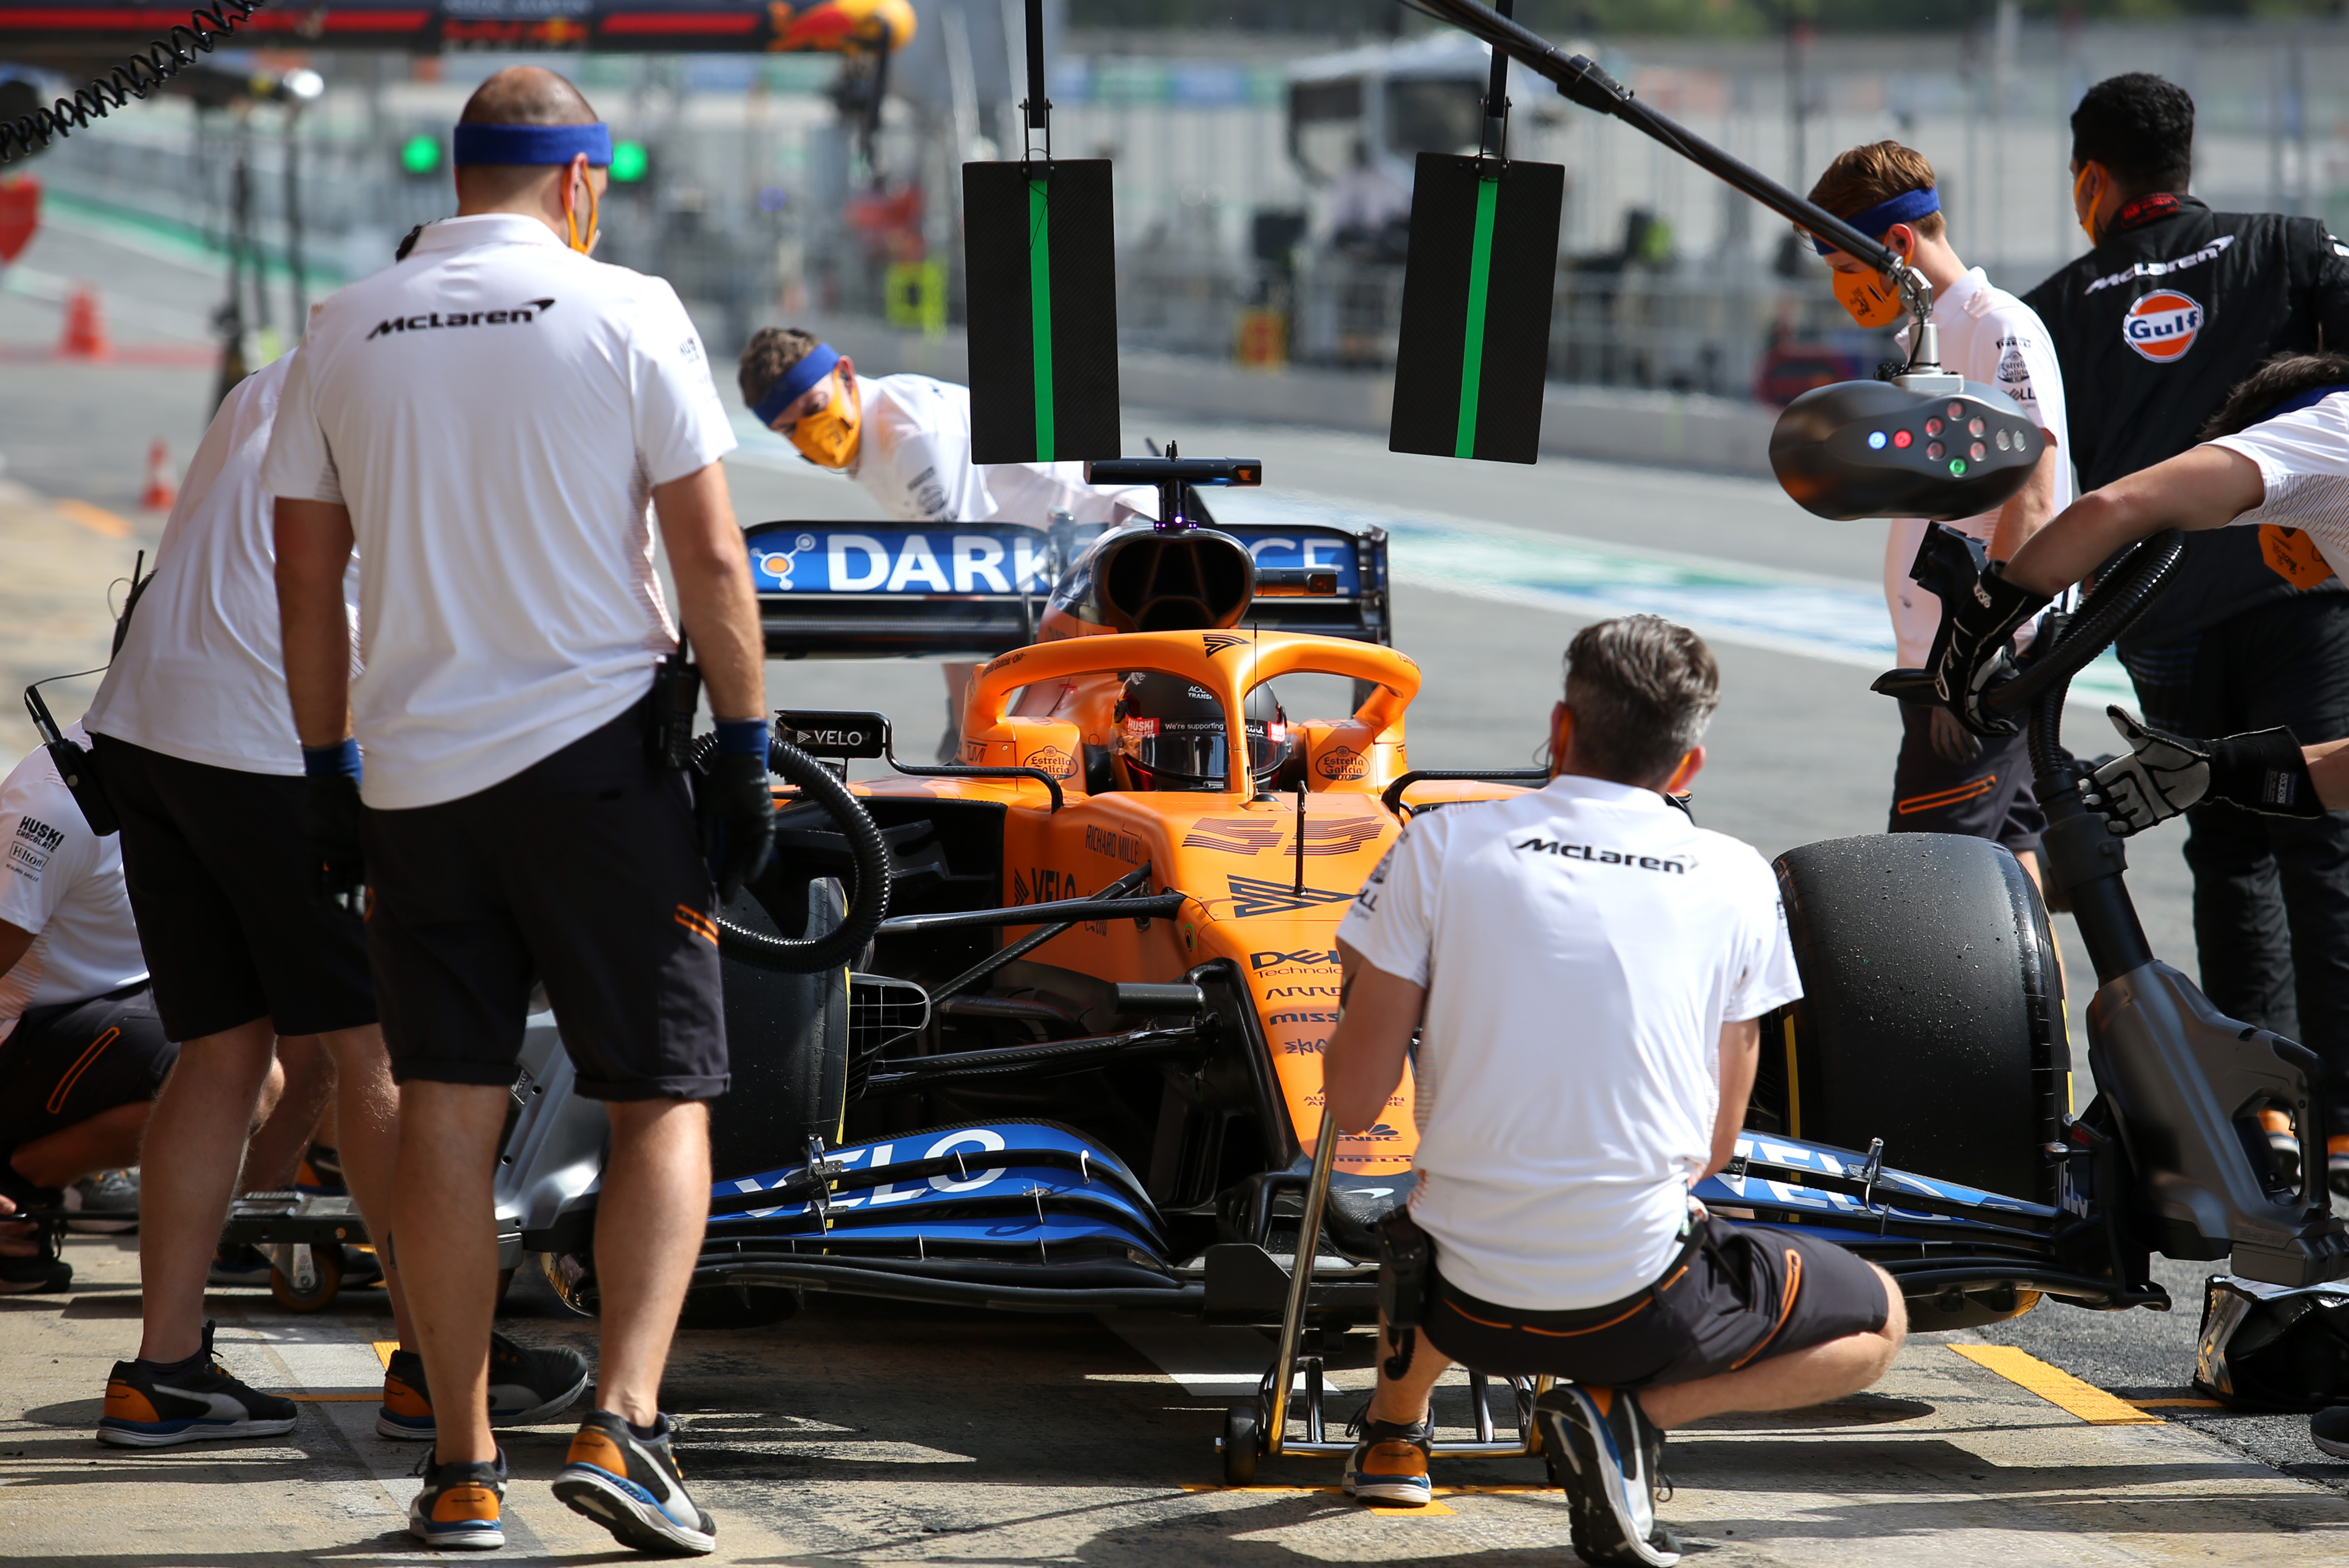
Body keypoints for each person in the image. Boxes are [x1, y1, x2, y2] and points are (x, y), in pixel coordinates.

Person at [266, 66, 769, 1554]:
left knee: (446, 1102)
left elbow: (307, 579)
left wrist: (322, 767)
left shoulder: (341, 325)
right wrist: (744, 744)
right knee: (659, 1091)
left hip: (417, 777)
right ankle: (622, 1420)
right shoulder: (630, 308)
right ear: (580, 183)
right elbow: (712, 560)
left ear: (461, 174)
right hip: (602, 763)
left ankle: (463, 1467)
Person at [1322, 616, 1905, 1567]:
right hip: (1636, 1303)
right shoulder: (1738, 874)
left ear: (1559, 727)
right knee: (1881, 1315)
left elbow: (1353, 1103)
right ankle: (1628, 1410)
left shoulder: (1441, 842)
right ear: (1691, 764)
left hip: (1461, 1299)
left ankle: (1394, 1427)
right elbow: (1714, 1147)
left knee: (1434, 1206)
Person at [2020, 72, 2349, 1161]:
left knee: (2227, 857)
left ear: (2090, 177)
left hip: (2159, 607)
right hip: (2304, 593)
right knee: (2324, 849)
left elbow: (2055, 483)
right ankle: (2342, 1116)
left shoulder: (2058, 304)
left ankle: (2265, 1113)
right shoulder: (2291, 244)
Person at [1937, 352, 2349, 1191]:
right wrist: (2216, 772)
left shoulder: (2325, 426)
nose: (2275, 557)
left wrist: (1981, 626)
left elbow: (2119, 505)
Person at [1805, 140, 2071, 887]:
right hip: (1959, 653)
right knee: (2010, 870)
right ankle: (2042, 1009)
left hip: (1978, 660)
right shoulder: (1934, 334)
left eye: (1844, 268)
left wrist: (1971, 656)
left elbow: (2036, 496)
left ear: (1896, 244)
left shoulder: (1995, 328)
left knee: (1927, 888)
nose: (1842, 291)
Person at [735, 327, 1156, 757]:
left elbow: (960, 595)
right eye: (790, 430)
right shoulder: (876, 432)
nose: (809, 433)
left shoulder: (909, 434)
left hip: (1124, 542)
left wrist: (965, 732)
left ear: (845, 373)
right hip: (1073, 564)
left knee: (1058, 748)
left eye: (815, 408)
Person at [0, 724, 178, 1294]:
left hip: (117, 1001)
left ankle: (246, 1210)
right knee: (227, 1074)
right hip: (26, 1038)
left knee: (308, 1015)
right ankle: (29, 1172)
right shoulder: (56, 808)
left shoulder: (199, 773)